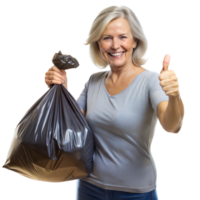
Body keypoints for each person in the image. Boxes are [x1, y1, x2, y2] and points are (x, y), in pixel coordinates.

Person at [43, 4, 185, 200]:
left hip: (136, 193)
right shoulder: (93, 81)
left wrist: (174, 95)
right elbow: (71, 129)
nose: (115, 45)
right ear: (98, 43)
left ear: (135, 41)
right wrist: (60, 88)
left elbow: (172, 126)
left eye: (122, 37)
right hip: (88, 188)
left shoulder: (151, 80)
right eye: (107, 38)